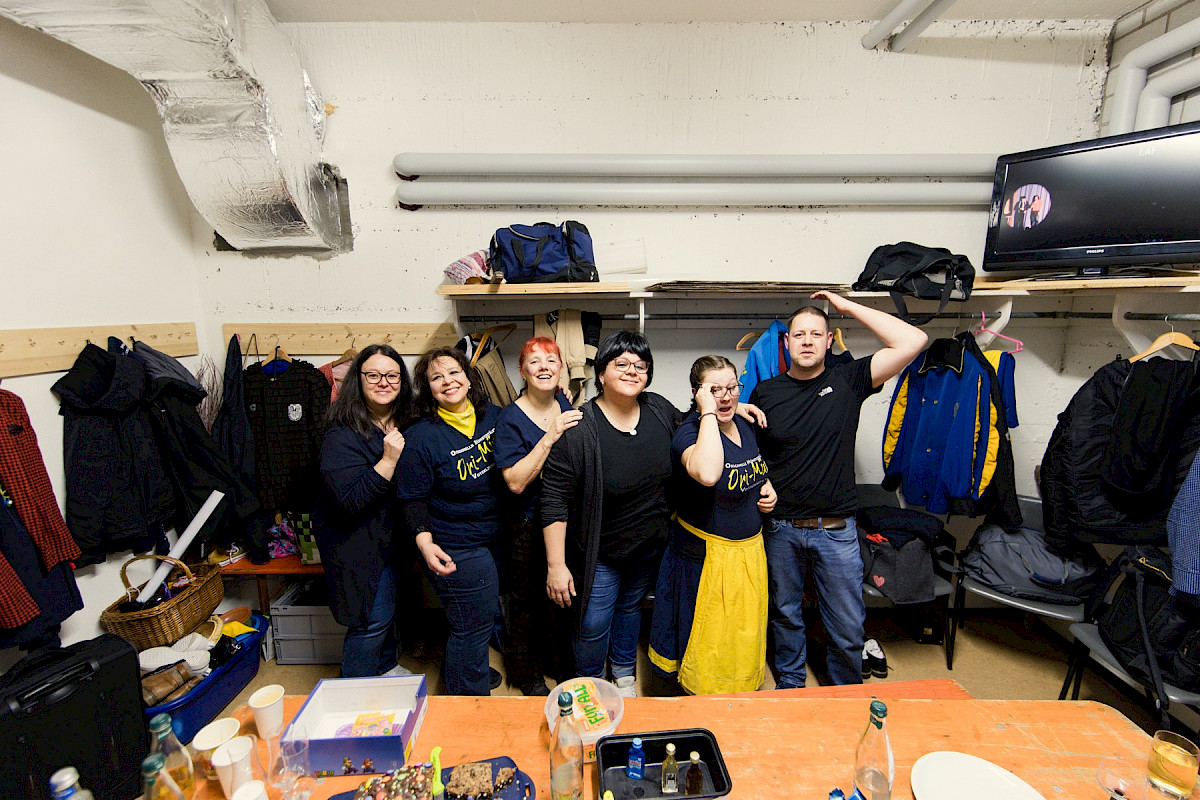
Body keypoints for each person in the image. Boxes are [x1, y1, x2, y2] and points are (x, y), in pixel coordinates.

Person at [542, 331, 765, 697]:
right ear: (601, 373)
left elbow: (695, 420)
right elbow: (553, 499)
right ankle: (590, 686)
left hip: (649, 548)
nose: (633, 371)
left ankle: (623, 676)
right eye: (622, 364)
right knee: (593, 623)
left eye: (641, 365)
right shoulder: (580, 429)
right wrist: (555, 565)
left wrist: (731, 406)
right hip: (602, 553)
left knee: (630, 610)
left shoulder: (658, 409)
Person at [749, 292, 927, 688]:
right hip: (780, 529)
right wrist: (762, 480)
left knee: (847, 627)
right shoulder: (766, 392)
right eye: (799, 334)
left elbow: (913, 341)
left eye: (816, 334)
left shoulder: (848, 379)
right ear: (787, 342)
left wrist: (846, 307)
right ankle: (791, 686)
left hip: (836, 531)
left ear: (829, 341)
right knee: (785, 616)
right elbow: (754, 455)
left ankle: (845, 695)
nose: (807, 341)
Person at [648, 355, 777, 695]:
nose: (726, 396)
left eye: (732, 388)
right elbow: (707, 473)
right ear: (697, 392)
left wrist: (766, 487)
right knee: (707, 642)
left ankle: (736, 697)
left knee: (739, 636)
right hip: (705, 561)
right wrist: (707, 412)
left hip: (747, 556)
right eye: (715, 389)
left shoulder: (744, 424)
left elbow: (752, 468)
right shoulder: (689, 433)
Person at [397, 346, 504, 695]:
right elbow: (412, 498)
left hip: (493, 534)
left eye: (454, 372)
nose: (448, 381)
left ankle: (468, 669)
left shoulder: (495, 417)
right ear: (428, 389)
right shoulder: (420, 436)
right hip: (455, 541)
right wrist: (424, 543)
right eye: (436, 377)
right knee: (471, 625)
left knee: (482, 616)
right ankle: (467, 698)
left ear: (468, 378)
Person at [312, 344, 415, 678]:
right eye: (373, 375)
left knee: (387, 611)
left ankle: (384, 667)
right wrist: (388, 460)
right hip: (355, 543)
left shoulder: (406, 420)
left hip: (390, 537)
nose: (383, 382)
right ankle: (352, 689)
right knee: (370, 621)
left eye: (392, 375)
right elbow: (351, 501)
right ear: (359, 379)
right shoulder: (340, 433)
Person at [494, 336, 583, 696]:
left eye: (551, 360)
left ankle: (558, 665)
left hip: (561, 520)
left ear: (561, 369)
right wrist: (550, 435)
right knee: (526, 605)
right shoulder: (510, 419)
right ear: (522, 371)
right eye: (534, 361)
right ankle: (526, 675)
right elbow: (515, 481)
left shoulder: (562, 400)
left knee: (560, 600)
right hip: (527, 524)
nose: (543, 367)